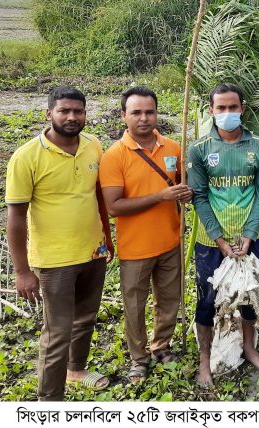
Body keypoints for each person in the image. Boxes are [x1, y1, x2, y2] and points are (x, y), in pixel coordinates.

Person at [6, 86, 113, 400]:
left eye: (77, 111)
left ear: (85, 114)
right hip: (54, 261)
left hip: (93, 251)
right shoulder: (26, 157)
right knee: (57, 334)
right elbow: (15, 218)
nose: (71, 117)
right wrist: (22, 271)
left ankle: (76, 370)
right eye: (64, 110)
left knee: (86, 317)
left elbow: (98, 197)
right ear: (48, 113)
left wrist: (107, 238)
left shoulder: (94, 145)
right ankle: (49, 402)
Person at [99, 87, 193, 383]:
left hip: (170, 241)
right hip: (135, 248)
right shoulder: (114, 156)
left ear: (157, 113)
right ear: (124, 115)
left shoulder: (174, 148)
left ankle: (161, 347)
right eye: (136, 113)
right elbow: (114, 207)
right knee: (134, 307)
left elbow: (181, 187)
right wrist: (160, 196)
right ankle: (138, 358)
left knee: (169, 301)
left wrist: (184, 193)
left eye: (149, 112)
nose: (143, 118)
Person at [187, 83, 259, 386]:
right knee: (207, 300)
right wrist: (220, 238)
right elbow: (198, 197)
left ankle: (249, 347)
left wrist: (248, 235)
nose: (227, 113)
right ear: (211, 110)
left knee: (249, 295)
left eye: (232, 107)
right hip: (211, 242)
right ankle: (204, 361)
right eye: (220, 108)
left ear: (242, 109)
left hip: (251, 237)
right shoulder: (199, 150)